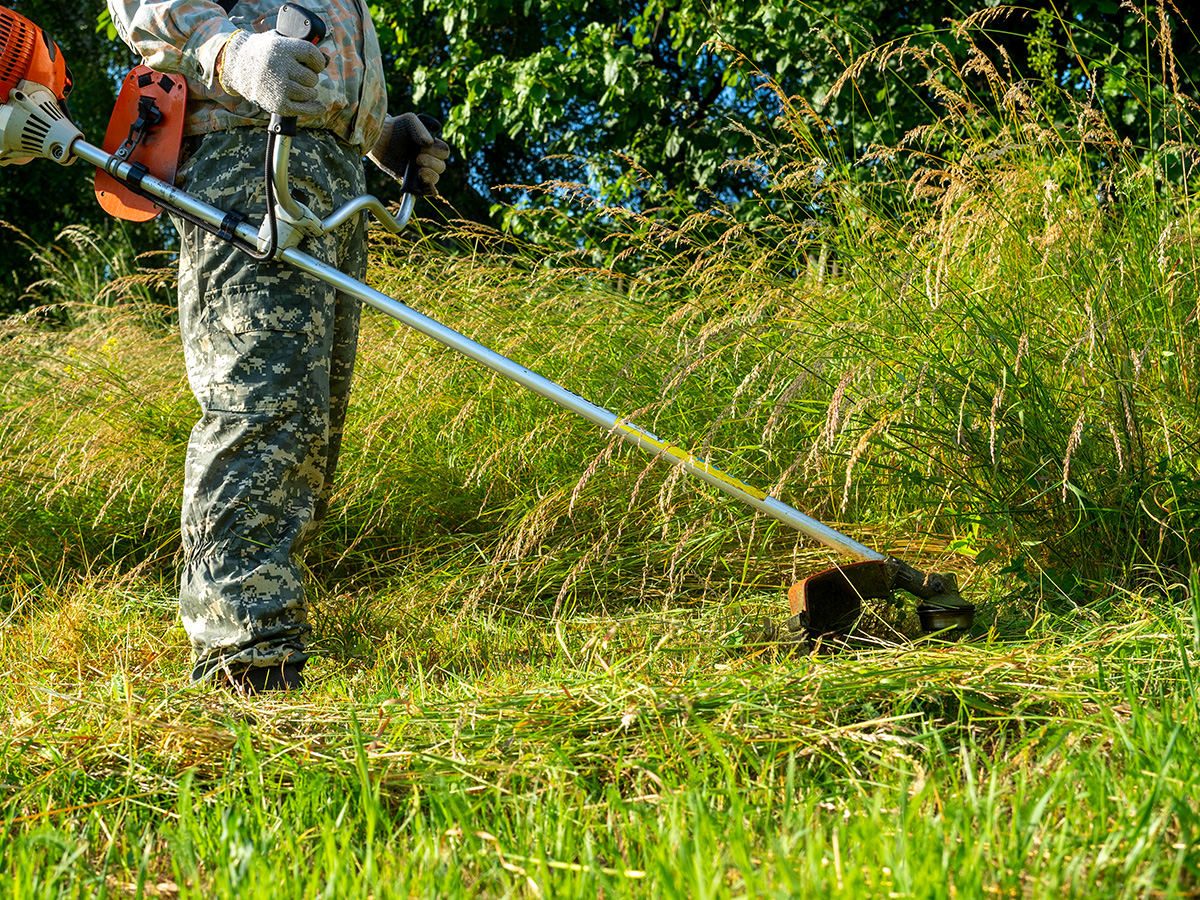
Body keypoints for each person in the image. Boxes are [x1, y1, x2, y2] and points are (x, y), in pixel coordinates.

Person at [108, 0, 449, 692]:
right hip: (248, 150)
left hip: (333, 172)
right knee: (260, 405)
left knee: (309, 424)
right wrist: (232, 53)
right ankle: (246, 661)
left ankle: (270, 627)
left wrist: (379, 133)